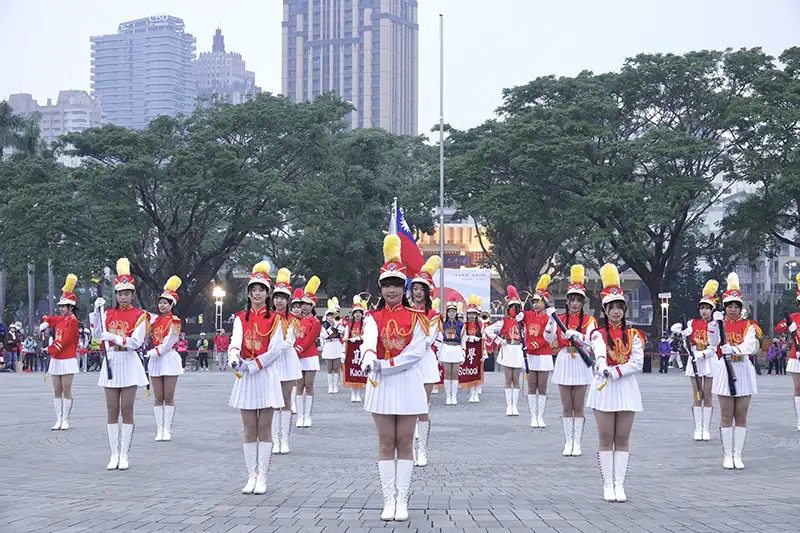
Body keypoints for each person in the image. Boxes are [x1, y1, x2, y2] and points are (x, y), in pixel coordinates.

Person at [360, 234, 429, 522]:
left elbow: (415, 354)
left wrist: (383, 364)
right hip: (381, 384)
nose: (392, 289)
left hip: (406, 382)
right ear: (381, 287)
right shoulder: (371, 318)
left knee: (405, 442)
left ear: (405, 288)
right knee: (386, 442)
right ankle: (388, 499)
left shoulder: (418, 318)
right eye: (387, 284)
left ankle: (403, 500)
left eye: (397, 285)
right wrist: (366, 357)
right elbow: (368, 342)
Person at [227, 261, 285, 494]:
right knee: (249, 428)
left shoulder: (275, 319)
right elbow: (235, 341)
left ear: (267, 293)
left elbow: (275, 350)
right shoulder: (241, 317)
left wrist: (255, 365)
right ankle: (251, 475)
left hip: (264, 375)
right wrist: (234, 357)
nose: (257, 293)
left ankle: (262, 477)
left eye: (261, 289)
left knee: (265, 428)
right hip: (246, 375)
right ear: (249, 293)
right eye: (254, 290)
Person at [587, 264, 644, 503]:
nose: (616, 312)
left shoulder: (634, 335)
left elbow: (637, 363)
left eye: (620, 307)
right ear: (605, 309)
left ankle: (620, 484)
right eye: (612, 307)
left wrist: (617, 371)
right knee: (605, 438)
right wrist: (602, 367)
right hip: (604, 386)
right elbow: (599, 353)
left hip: (625, 386)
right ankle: (607, 484)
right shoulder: (598, 333)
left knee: (622, 439)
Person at [90, 258, 150, 471]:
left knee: (127, 408)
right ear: (115, 294)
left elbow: (136, 342)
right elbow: (97, 335)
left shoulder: (140, 315)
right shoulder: (108, 313)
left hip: (128, 361)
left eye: (126, 293)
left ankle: (124, 454)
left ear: (132, 294)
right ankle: (113, 453)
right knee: (111, 408)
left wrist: (114, 338)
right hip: (111, 361)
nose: (122, 297)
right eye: (119, 293)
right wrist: (96, 315)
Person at [543, 264, 597, 457]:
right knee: (566, 405)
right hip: (565, 359)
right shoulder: (560, 318)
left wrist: (577, 335)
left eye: (578, 300)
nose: (575, 303)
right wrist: (550, 321)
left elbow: (592, 342)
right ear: (567, 301)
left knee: (579, 405)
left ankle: (578, 442)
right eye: (572, 299)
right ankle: (568, 441)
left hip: (581, 361)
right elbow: (549, 338)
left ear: (582, 302)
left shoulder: (589, 321)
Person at [712, 273, 761, 469]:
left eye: (736, 306)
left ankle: (738, 454)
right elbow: (713, 343)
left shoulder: (749, 325)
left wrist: (733, 349)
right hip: (725, 369)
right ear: (725, 307)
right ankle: (727, 454)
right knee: (726, 414)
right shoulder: (719, 324)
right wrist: (713, 327)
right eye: (729, 306)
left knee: (741, 414)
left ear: (741, 308)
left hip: (742, 369)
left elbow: (750, 346)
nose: (732, 309)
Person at [672, 280, 719, 441]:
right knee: (697, 393)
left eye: (707, 308)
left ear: (712, 309)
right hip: (695, 361)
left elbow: (714, 347)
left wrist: (702, 354)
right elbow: (682, 334)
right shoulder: (692, 322)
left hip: (709, 360)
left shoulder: (715, 324)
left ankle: (706, 428)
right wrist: (684, 333)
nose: (704, 311)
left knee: (708, 394)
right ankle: (698, 428)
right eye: (702, 308)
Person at [408, 255, 442, 468]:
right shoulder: (405, 311)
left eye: (422, 288)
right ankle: (409, 448)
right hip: (407, 362)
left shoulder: (433, 314)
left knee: (422, 406)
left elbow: (428, 340)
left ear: (428, 291)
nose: (418, 292)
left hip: (424, 361)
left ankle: (422, 450)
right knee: (408, 407)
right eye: (415, 288)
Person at [40, 274, 81, 430]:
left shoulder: (73, 320)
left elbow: (66, 341)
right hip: (56, 358)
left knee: (66, 388)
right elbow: (50, 319)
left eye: (64, 306)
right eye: (60, 306)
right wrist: (44, 323)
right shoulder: (60, 319)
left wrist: (49, 349)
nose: (61, 308)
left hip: (67, 357)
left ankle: (65, 419)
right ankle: (58, 419)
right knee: (56, 389)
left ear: (71, 307)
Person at [146, 276, 184, 442]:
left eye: (165, 303)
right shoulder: (154, 319)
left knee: (168, 396)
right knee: (157, 396)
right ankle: (159, 428)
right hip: (155, 358)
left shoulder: (175, 321)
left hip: (168, 358)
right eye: (160, 302)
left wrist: (157, 351)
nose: (162, 305)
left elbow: (170, 341)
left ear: (171, 305)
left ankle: (167, 429)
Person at [270, 268, 302, 454]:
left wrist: (270, 349)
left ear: (288, 300)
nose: (279, 300)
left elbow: (289, 342)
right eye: (277, 297)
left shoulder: (292, 320)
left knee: (286, 400)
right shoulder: (268, 317)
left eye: (283, 297)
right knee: (275, 402)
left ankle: (284, 439)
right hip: (272, 362)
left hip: (286, 360)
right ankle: (275, 440)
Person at [486, 286, 525, 416]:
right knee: (508, 378)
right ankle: (509, 406)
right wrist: (499, 341)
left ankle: (515, 405)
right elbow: (488, 330)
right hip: (508, 348)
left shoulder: (523, 322)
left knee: (517, 379)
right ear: (508, 309)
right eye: (511, 306)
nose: (514, 309)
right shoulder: (504, 321)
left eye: (516, 306)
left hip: (518, 349)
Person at [524, 274, 555, 428]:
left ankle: (540, 416)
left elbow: (548, 336)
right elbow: (516, 315)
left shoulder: (549, 317)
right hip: (531, 355)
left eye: (539, 302)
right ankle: (532, 416)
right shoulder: (528, 315)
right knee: (531, 385)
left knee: (542, 386)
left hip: (543, 355)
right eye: (534, 302)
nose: (536, 305)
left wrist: (535, 345)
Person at [774, 273, 800, 431]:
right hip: (796, 356)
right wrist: (790, 326)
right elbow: (778, 327)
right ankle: (799, 419)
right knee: (798, 389)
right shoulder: (794, 317)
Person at [295, 276, 322, 428]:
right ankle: (299, 415)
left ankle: (307, 415)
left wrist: (298, 349)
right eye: (303, 304)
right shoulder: (297, 320)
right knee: (299, 385)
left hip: (309, 355)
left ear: (312, 306)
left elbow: (310, 339)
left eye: (307, 304)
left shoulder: (315, 322)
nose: (304, 307)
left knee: (309, 385)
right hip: (297, 355)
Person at [439, 294, 465, 405]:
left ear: (456, 312)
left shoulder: (461, 324)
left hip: (456, 348)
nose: (451, 314)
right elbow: (439, 339)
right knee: (447, 374)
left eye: (453, 312)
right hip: (446, 348)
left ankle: (454, 396)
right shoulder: (443, 324)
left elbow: (463, 339)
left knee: (455, 374)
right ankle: (447, 396)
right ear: (447, 312)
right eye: (449, 312)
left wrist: (463, 351)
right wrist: (439, 353)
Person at [461, 295, 487, 403]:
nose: (471, 316)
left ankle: (476, 393)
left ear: (477, 315)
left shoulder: (480, 325)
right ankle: (471, 393)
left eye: (473, 314)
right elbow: (461, 337)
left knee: (478, 372)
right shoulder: (465, 325)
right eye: (470, 314)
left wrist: (484, 350)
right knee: (470, 372)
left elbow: (483, 338)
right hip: (468, 351)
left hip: (478, 352)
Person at [343, 295, 368, 402]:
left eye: (359, 312)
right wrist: (344, 351)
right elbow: (345, 337)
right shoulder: (349, 325)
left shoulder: (365, 324)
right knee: (352, 372)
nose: (358, 314)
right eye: (356, 312)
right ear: (353, 314)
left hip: (362, 351)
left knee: (361, 372)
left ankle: (359, 394)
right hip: (351, 351)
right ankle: (353, 394)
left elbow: (367, 335)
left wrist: (359, 338)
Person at [321, 297, 345, 394]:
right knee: (329, 367)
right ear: (326, 317)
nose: (330, 318)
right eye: (329, 316)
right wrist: (331, 327)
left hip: (336, 344)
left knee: (336, 367)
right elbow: (324, 335)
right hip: (328, 345)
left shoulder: (338, 325)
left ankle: (336, 386)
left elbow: (343, 331)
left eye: (332, 316)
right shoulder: (323, 327)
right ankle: (330, 386)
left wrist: (335, 325)